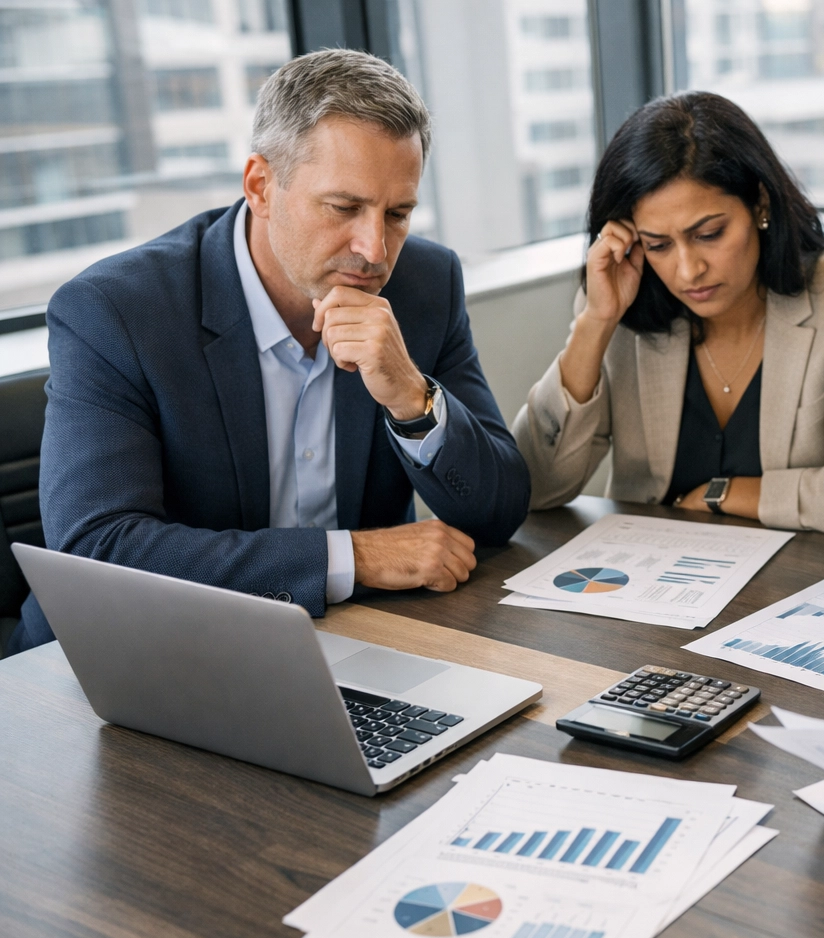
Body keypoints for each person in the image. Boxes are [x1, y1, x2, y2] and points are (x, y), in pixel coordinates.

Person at [6, 49, 530, 655]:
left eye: (398, 214)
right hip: (120, 661)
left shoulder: (424, 284)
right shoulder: (117, 312)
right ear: (260, 185)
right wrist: (353, 557)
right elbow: (99, 553)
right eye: (344, 207)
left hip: (341, 648)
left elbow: (498, 514)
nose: (375, 249)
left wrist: (413, 400)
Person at [512, 92, 824, 531]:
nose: (689, 270)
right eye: (658, 245)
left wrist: (723, 494)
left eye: (709, 233)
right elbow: (532, 486)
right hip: (660, 581)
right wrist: (595, 323)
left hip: (810, 579)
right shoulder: (623, 307)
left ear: (760, 203)